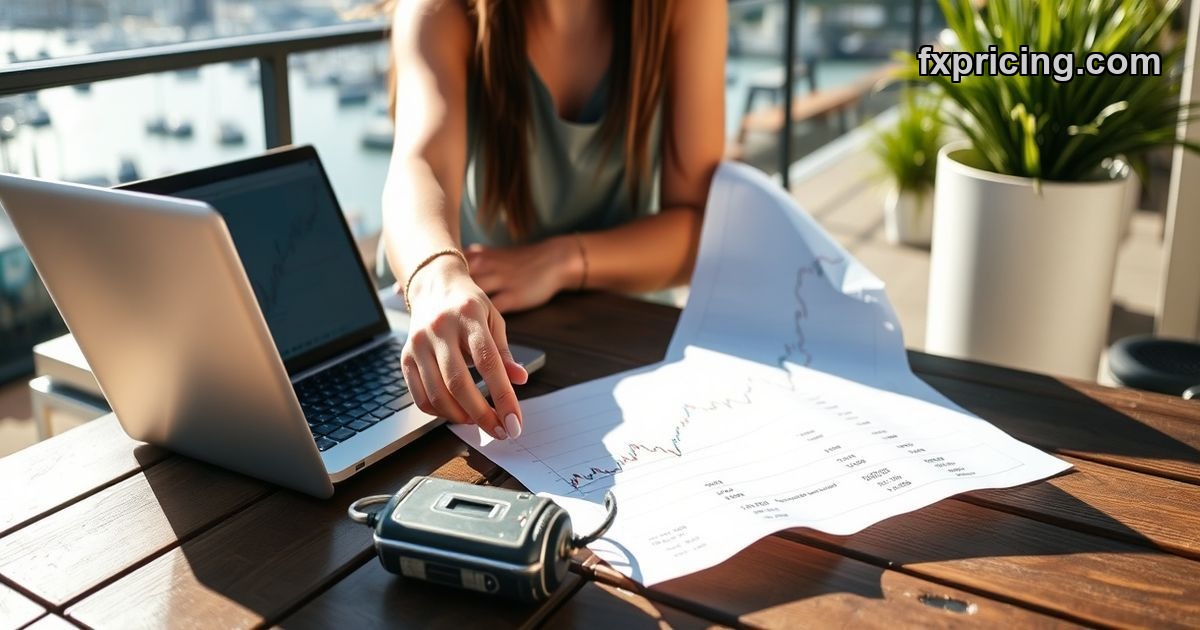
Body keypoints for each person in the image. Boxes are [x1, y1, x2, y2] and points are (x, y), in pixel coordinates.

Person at [380, 0, 726, 443]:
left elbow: (697, 235)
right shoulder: (442, 11)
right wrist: (436, 278)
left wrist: (558, 261)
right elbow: (418, 164)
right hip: (474, 337)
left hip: (624, 342)